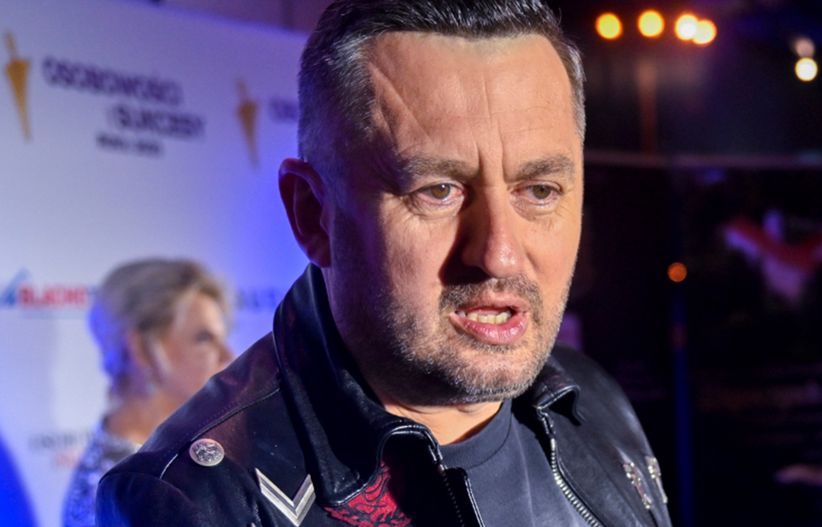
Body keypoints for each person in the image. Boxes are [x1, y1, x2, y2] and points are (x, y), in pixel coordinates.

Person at [97, 2, 672, 525]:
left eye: (540, 190)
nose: (499, 253)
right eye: (438, 191)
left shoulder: (588, 397)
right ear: (312, 215)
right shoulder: (198, 501)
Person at [62, 258, 232, 527]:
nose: (228, 356)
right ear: (141, 349)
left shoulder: (169, 459)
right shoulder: (113, 492)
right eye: (203, 339)